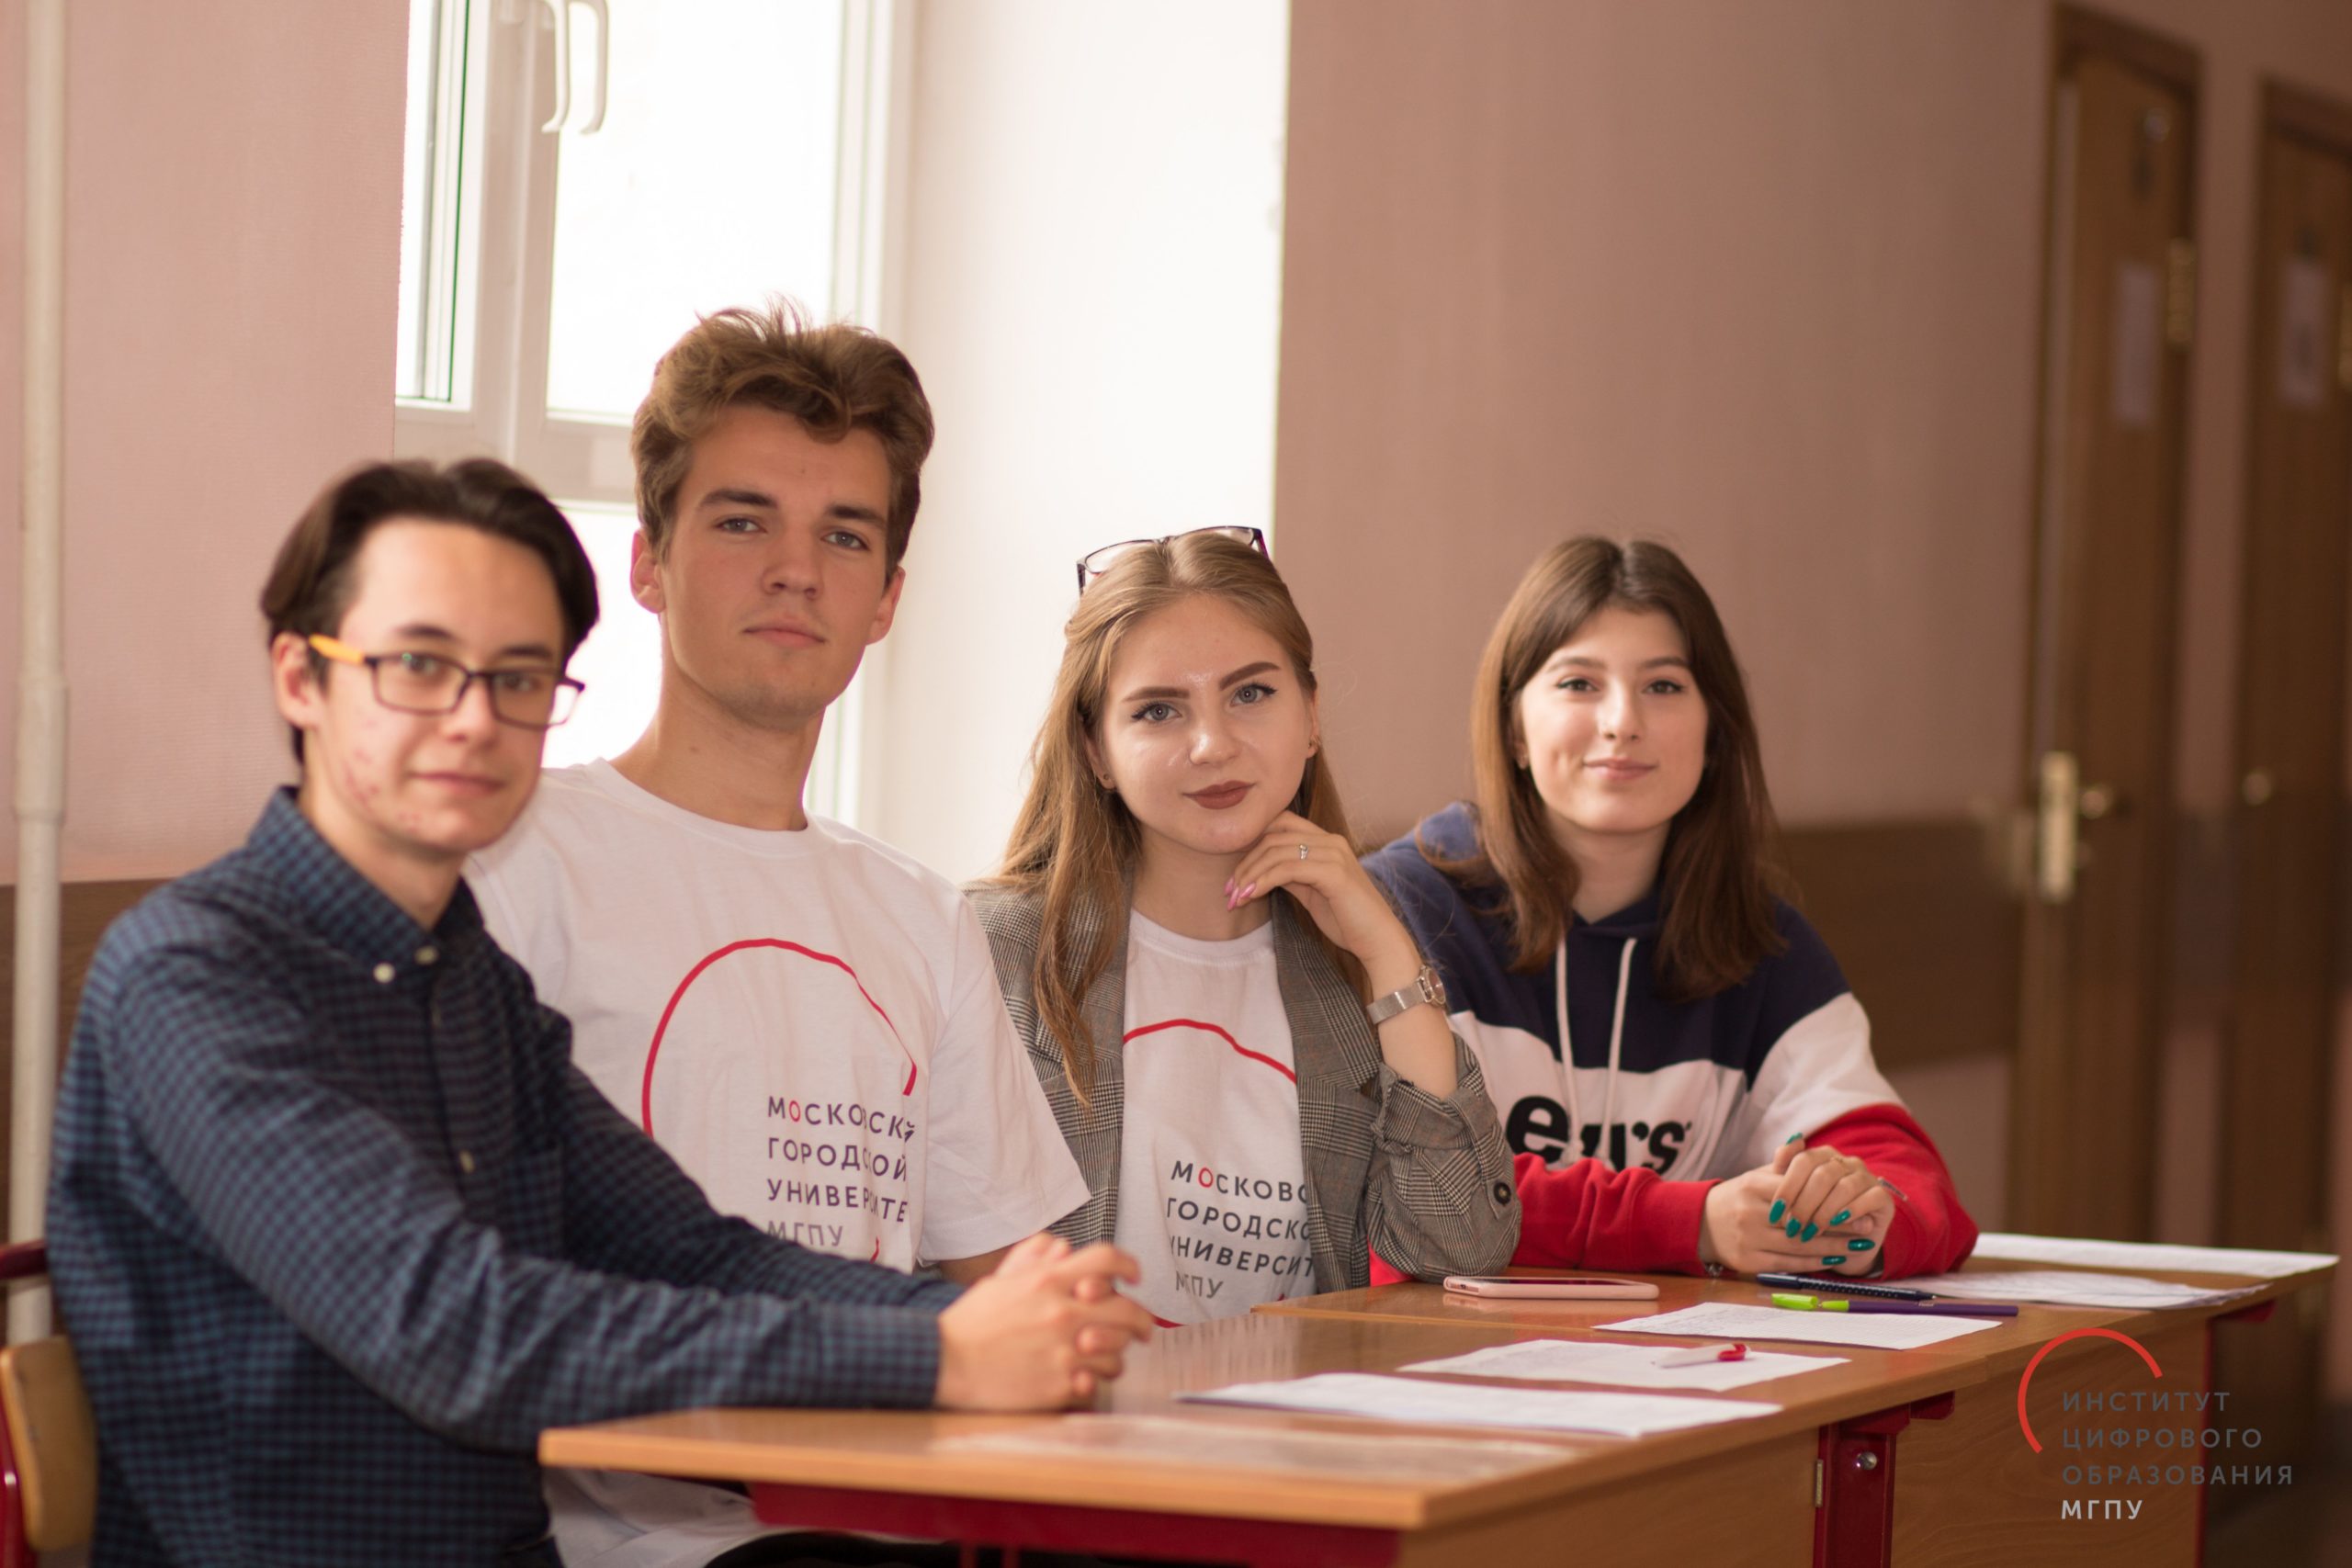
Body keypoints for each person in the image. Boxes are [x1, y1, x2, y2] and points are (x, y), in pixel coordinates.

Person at [47, 458, 1151, 1567]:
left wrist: (972, 1325)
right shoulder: (197, 975)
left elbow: (694, 1253)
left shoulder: (465, 980)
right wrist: (935, 1361)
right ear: (301, 678)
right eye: (420, 665)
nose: (474, 720)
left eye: (519, 677)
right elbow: (453, 1326)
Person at [466, 302, 1091, 1563]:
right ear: (647, 563)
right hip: (614, 1534)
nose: (796, 570)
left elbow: (998, 1288)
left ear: (886, 598)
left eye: (844, 534)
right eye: (743, 520)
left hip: (888, 1525)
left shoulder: (919, 914)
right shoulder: (515, 859)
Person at [1363, 537, 1976, 1280]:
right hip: (1433, 1344)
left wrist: (1857, 1211)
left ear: (1715, 731)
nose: (1622, 721)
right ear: (1515, 727)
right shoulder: (1397, 912)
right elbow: (1415, 1188)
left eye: (1663, 685)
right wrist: (1692, 1222)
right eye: (1579, 683)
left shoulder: (1759, 940)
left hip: (1672, 1349)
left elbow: (1912, 1184)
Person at [967, 528, 1519, 1326]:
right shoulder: (995, 949)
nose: (1213, 745)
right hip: (1079, 1401)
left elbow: (1459, 1245)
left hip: (1291, 1404)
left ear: (1312, 716)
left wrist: (1387, 954)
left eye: (1251, 694)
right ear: (1096, 751)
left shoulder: (1348, 963)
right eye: (1159, 710)